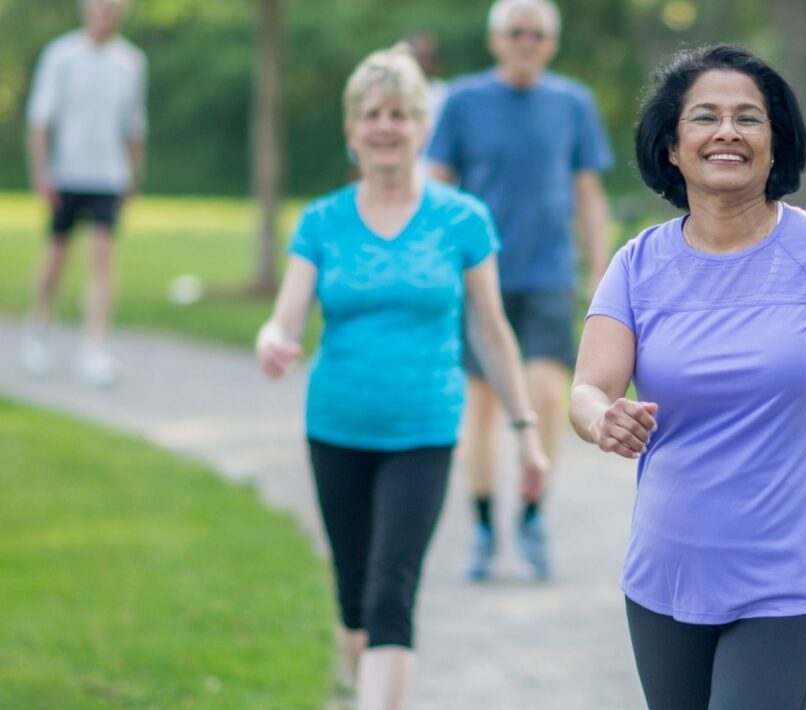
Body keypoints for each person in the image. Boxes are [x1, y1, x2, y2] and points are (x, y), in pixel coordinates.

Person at [570, 45, 806, 709]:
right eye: (704, 117)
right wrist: (602, 417)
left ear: (776, 146)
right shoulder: (638, 265)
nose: (727, 132)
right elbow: (588, 390)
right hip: (666, 575)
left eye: (749, 119)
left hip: (790, 575)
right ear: (672, 148)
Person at [255, 47, 547, 710]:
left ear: (420, 127)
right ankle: (359, 686)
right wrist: (272, 342)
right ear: (351, 129)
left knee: (392, 589)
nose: (385, 127)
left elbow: (492, 330)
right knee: (355, 599)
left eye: (399, 114)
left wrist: (526, 431)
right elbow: (286, 317)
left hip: (423, 428)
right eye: (371, 114)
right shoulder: (322, 220)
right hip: (337, 426)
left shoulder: (462, 219)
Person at [425, 0, 613, 581]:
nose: (526, 41)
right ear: (496, 40)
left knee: (546, 397)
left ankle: (532, 509)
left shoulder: (572, 104)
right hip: (479, 281)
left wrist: (601, 272)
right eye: (516, 32)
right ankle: (483, 524)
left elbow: (588, 193)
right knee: (482, 406)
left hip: (548, 275)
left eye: (536, 33)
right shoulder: (462, 101)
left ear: (550, 43)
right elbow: (437, 188)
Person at [21, 0, 147, 387]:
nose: (106, 12)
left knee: (102, 259)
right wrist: (42, 174)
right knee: (57, 255)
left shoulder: (131, 61)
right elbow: (40, 120)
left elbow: (134, 125)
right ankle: (39, 324)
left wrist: (134, 176)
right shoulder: (60, 56)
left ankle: (94, 346)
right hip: (67, 174)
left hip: (108, 176)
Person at [402, 32, 448, 179]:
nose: (423, 64)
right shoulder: (387, 96)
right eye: (418, 58)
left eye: (428, 58)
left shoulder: (445, 96)